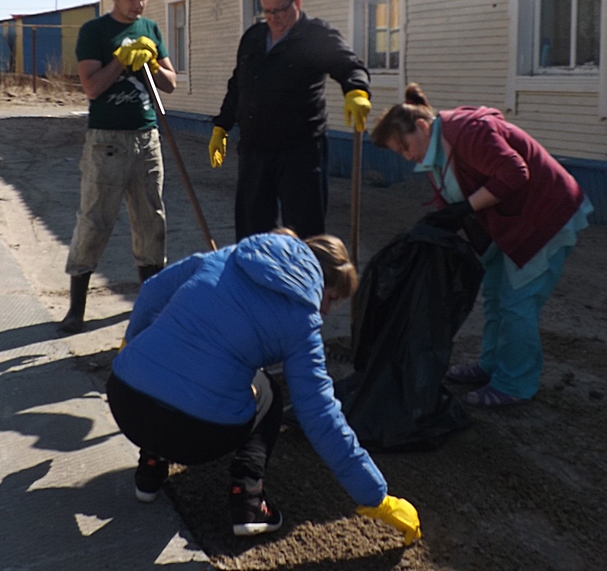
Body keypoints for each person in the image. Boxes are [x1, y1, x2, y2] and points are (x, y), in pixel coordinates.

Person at [106, 230, 421, 542]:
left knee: (174, 365)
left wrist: (130, 347)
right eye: (332, 299)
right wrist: (376, 496)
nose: (326, 311)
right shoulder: (302, 321)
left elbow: (150, 292)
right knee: (268, 394)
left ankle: (150, 469)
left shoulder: (223, 257)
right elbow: (319, 414)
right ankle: (249, 500)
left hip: (126, 402)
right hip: (197, 436)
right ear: (320, 283)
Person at [372, 83, 594, 406]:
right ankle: (491, 365)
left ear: (421, 126)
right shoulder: (434, 152)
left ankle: (514, 384)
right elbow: (454, 200)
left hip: (546, 216)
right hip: (509, 225)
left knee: (517, 302)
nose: (407, 157)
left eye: (405, 147)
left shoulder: (468, 133)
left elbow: (515, 174)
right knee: (493, 295)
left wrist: (465, 208)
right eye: (400, 153)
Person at [58, 0, 177, 334]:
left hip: (147, 138)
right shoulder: (94, 32)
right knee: (94, 221)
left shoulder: (151, 29)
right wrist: (121, 60)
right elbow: (92, 88)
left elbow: (170, 84)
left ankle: (150, 304)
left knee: (151, 221)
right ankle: (76, 307)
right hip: (107, 141)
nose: (138, 5)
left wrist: (151, 63)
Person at [210, 0, 372, 241]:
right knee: (252, 227)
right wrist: (221, 125)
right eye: (267, 12)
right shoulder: (253, 37)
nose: (273, 18)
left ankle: (306, 281)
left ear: (297, 2)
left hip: (300, 151)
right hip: (255, 149)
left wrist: (356, 90)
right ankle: (255, 280)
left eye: (280, 10)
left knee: (305, 230)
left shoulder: (316, 35)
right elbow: (239, 84)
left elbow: (349, 65)